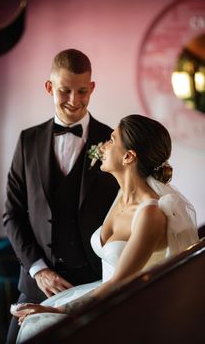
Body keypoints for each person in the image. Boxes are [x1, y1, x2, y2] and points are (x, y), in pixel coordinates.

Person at [13, 114, 199, 343]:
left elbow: (119, 281)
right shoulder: (121, 196)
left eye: (111, 140)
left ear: (129, 157)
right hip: (103, 294)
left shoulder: (150, 213)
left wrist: (59, 312)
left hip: (125, 308)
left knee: (41, 326)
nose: (103, 146)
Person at [3, 49, 119, 343]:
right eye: (64, 90)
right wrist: (39, 270)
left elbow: (123, 209)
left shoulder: (112, 141)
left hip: (93, 283)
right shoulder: (27, 141)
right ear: (49, 87)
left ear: (91, 88)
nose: (74, 100)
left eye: (82, 91)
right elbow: (13, 214)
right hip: (36, 284)